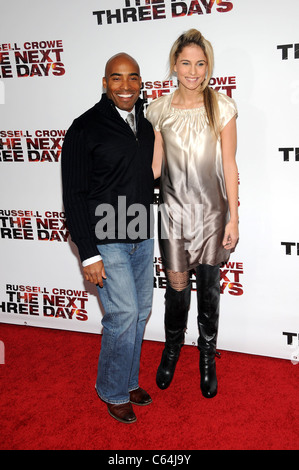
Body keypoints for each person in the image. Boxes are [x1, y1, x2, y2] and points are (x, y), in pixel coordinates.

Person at [61, 53, 155, 423]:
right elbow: (73, 195)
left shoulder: (144, 126)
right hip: (105, 237)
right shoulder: (84, 128)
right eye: (117, 78)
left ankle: (128, 380)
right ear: (105, 83)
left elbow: (147, 178)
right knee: (123, 314)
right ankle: (112, 390)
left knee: (141, 313)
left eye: (133, 78)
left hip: (141, 233)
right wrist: (88, 253)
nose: (126, 86)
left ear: (140, 82)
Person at [146, 29, 238, 398]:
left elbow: (229, 166)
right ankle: (171, 349)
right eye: (186, 62)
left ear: (208, 67)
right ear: (174, 65)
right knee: (177, 289)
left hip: (213, 215)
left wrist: (234, 217)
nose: (193, 71)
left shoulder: (223, 106)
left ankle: (206, 356)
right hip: (172, 215)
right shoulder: (158, 110)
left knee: (210, 290)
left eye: (200, 64)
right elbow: (154, 167)